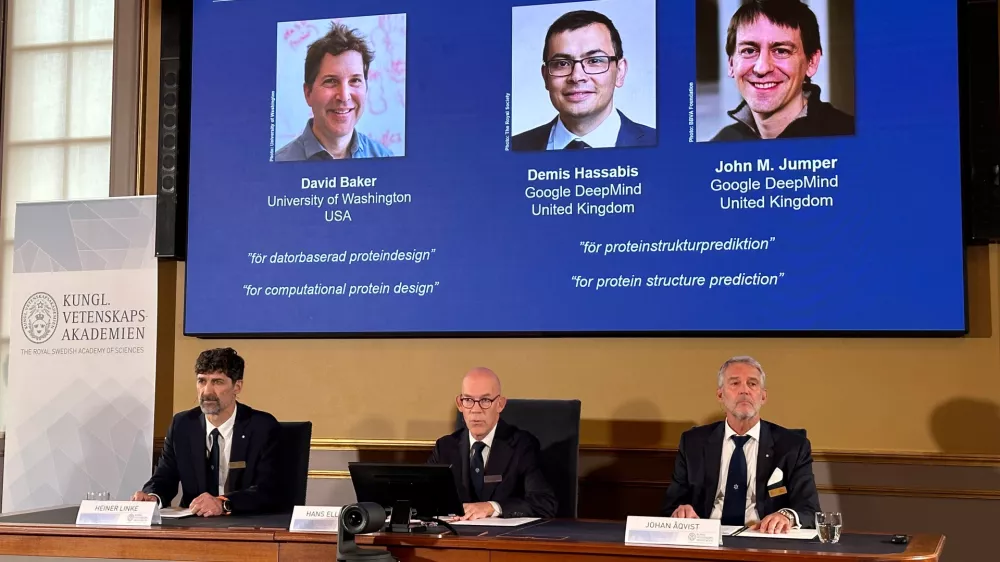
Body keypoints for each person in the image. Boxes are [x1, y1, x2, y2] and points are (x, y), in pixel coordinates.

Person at [661, 356, 820, 533]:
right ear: (720, 395)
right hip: (704, 538)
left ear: (763, 396)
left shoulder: (792, 446)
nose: (744, 391)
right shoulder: (693, 442)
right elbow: (672, 505)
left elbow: (809, 509)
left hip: (764, 538)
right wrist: (681, 511)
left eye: (752, 384)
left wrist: (786, 516)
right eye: (735, 383)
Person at [132, 348, 282, 517]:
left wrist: (223, 503)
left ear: (237, 386)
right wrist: (153, 497)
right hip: (194, 524)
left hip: (246, 523)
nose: (207, 392)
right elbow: (164, 477)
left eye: (217, 382)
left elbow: (269, 489)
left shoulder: (262, 426)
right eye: (202, 381)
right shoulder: (182, 424)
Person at [512, 10, 655, 151]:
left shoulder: (660, 145)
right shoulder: (514, 148)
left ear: (620, 72)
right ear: (545, 77)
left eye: (594, 60)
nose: (576, 77)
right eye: (562, 63)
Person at [712, 0, 854, 141]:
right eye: (749, 51)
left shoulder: (849, 135)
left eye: (781, 51)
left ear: (811, 62)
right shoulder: (721, 144)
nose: (762, 68)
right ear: (731, 64)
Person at [428, 368, 557, 520]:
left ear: (500, 404)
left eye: (485, 401)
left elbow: (545, 503)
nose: (476, 410)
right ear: (459, 404)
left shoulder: (522, 446)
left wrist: (492, 507)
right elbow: (421, 499)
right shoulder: (445, 447)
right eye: (468, 400)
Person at [275, 22, 393, 161]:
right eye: (331, 81)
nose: (344, 96)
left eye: (355, 80)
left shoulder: (385, 159)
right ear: (308, 93)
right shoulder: (280, 165)